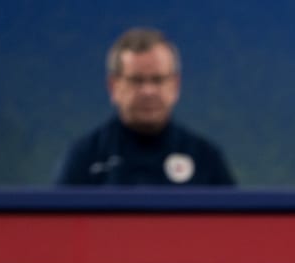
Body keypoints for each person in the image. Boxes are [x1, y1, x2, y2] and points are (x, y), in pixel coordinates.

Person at [55, 28, 234, 187]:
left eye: (158, 80)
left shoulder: (205, 158)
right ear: (113, 86)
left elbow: (234, 223)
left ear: (175, 85)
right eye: (136, 80)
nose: (148, 91)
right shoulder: (86, 158)